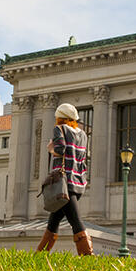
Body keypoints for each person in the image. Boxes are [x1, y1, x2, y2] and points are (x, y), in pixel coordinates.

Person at [36, 103, 93, 255]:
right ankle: (39, 256)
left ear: (60, 118)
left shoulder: (59, 129)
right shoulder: (83, 134)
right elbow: (83, 156)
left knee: (76, 222)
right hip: (78, 181)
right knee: (54, 221)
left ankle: (88, 257)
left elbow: (60, 149)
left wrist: (50, 149)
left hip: (64, 183)